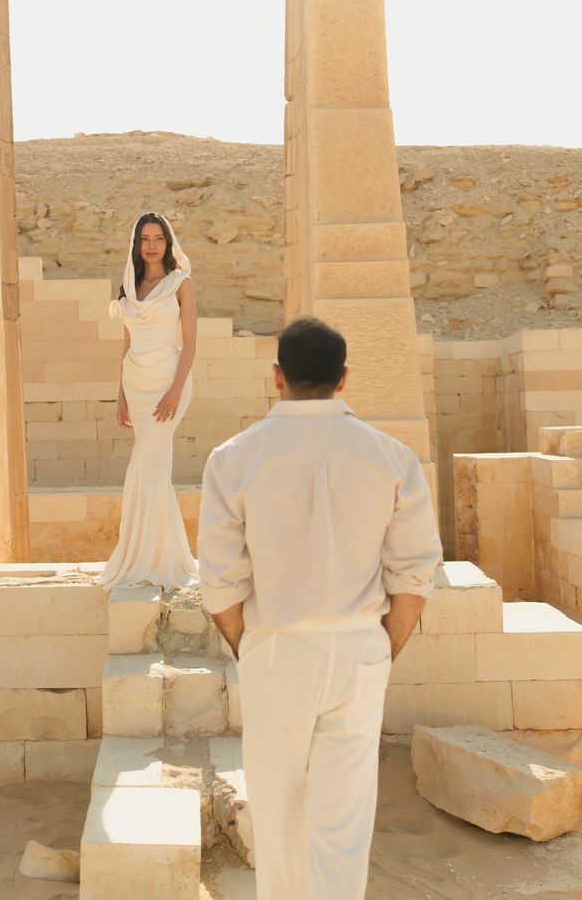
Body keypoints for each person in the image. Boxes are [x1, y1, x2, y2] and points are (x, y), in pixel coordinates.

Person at [197, 317, 442, 900]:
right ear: (344, 378)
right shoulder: (392, 457)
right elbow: (413, 573)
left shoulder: (233, 459)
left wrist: (247, 643)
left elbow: (220, 579)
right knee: (343, 823)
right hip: (359, 649)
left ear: (277, 376)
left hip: (276, 648)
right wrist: (384, 645)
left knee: (278, 818)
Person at [100, 211, 200, 590]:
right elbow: (127, 344)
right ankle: (161, 557)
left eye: (159, 238)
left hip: (168, 381)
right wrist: (121, 395)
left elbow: (189, 342)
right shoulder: (130, 286)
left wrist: (176, 388)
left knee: (145, 465)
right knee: (152, 469)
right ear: (137, 244)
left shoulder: (181, 284)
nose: (153, 245)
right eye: (146, 238)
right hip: (137, 383)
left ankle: (147, 559)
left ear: (168, 243)